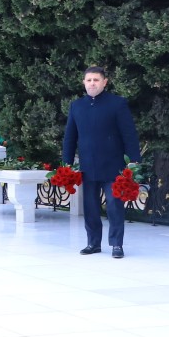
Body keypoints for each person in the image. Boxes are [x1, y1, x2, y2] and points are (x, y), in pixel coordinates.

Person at [61, 66, 141, 259]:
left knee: (114, 206)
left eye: (96, 80)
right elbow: (70, 137)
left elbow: (129, 134)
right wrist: (67, 163)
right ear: (84, 83)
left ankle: (116, 244)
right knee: (90, 206)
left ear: (105, 82)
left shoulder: (117, 104)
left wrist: (134, 161)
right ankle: (93, 243)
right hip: (87, 166)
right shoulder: (76, 106)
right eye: (89, 80)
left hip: (114, 165)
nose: (92, 83)